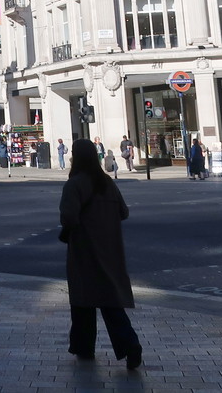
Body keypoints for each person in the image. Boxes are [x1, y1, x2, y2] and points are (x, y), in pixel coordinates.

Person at [58, 138, 142, 370]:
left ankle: (83, 346)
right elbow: (123, 212)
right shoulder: (106, 182)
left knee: (83, 302)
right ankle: (129, 344)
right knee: (111, 303)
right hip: (110, 249)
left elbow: (69, 217)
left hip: (85, 250)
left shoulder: (74, 184)